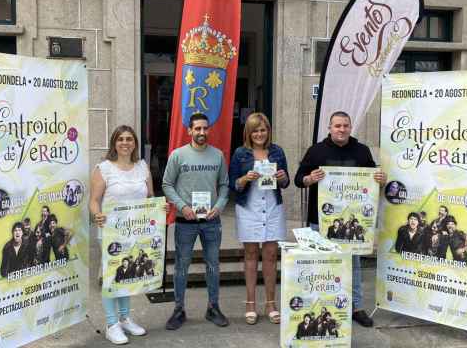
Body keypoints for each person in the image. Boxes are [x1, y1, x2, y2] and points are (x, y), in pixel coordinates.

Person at [294, 111, 386, 327]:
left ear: (350, 127)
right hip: (320, 220)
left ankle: (357, 307)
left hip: (352, 223)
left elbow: (373, 180)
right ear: (329, 127)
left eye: (345, 125)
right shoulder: (316, 151)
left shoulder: (362, 151)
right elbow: (298, 179)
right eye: (337, 126)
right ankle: (321, 306)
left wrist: (381, 179)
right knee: (320, 267)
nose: (342, 129)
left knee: (353, 265)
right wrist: (309, 178)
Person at [90, 125, 161, 344]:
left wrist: (160, 208)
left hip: (136, 231)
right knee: (112, 277)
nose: (125, 142)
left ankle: (125, 318)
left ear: (135, 144)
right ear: (114, 143)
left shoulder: (142, 167)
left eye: (129, 139)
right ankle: (111, 324)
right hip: (111, 232)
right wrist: (97, 215)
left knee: (128, 274)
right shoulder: (104, 168)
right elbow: (93, 200)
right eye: (120, 139)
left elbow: (150, 196)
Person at [162, 113, 230, 330]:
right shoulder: (178, 155)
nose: (202, 132)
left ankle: (213, 307)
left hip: (211, 221)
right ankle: (179, 309)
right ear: (189, 131)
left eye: (205, 128)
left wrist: (219, 206)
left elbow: (224, 185)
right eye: (197, 129)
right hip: (185, 221)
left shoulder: (218, 155)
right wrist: (182, 206)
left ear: (209, 130)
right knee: (181, 266)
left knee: (213, 265)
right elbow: (166, 184)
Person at [229, 112, 289, 325]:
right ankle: (251, 303)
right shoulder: (240, 154)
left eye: (263, 130)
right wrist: (245, 178)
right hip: (249, 209)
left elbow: (286, 182)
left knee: (271, 256)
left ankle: (271, 303)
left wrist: (282, 177)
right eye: (255, 130)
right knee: (251, 254)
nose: (259, 134)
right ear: (248, 132)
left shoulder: (277, 151)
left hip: (272, 208)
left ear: (268, 131)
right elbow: (232, 185)